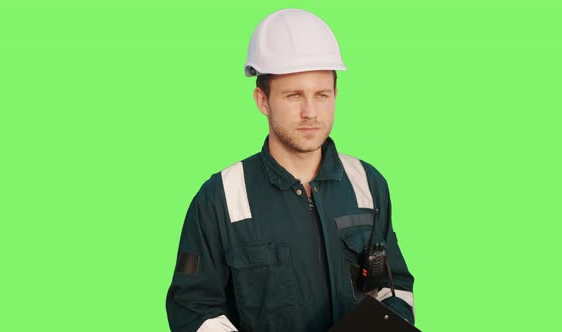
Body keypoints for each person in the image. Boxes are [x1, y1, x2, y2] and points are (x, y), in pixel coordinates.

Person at [166, 8, 415, 332]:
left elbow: (393, 288)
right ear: (262, 100)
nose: (310, 112)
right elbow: (193, 308)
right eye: (294, 95)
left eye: (322, 95)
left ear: (336, 94)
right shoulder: (221, 199)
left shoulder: (367, 184)